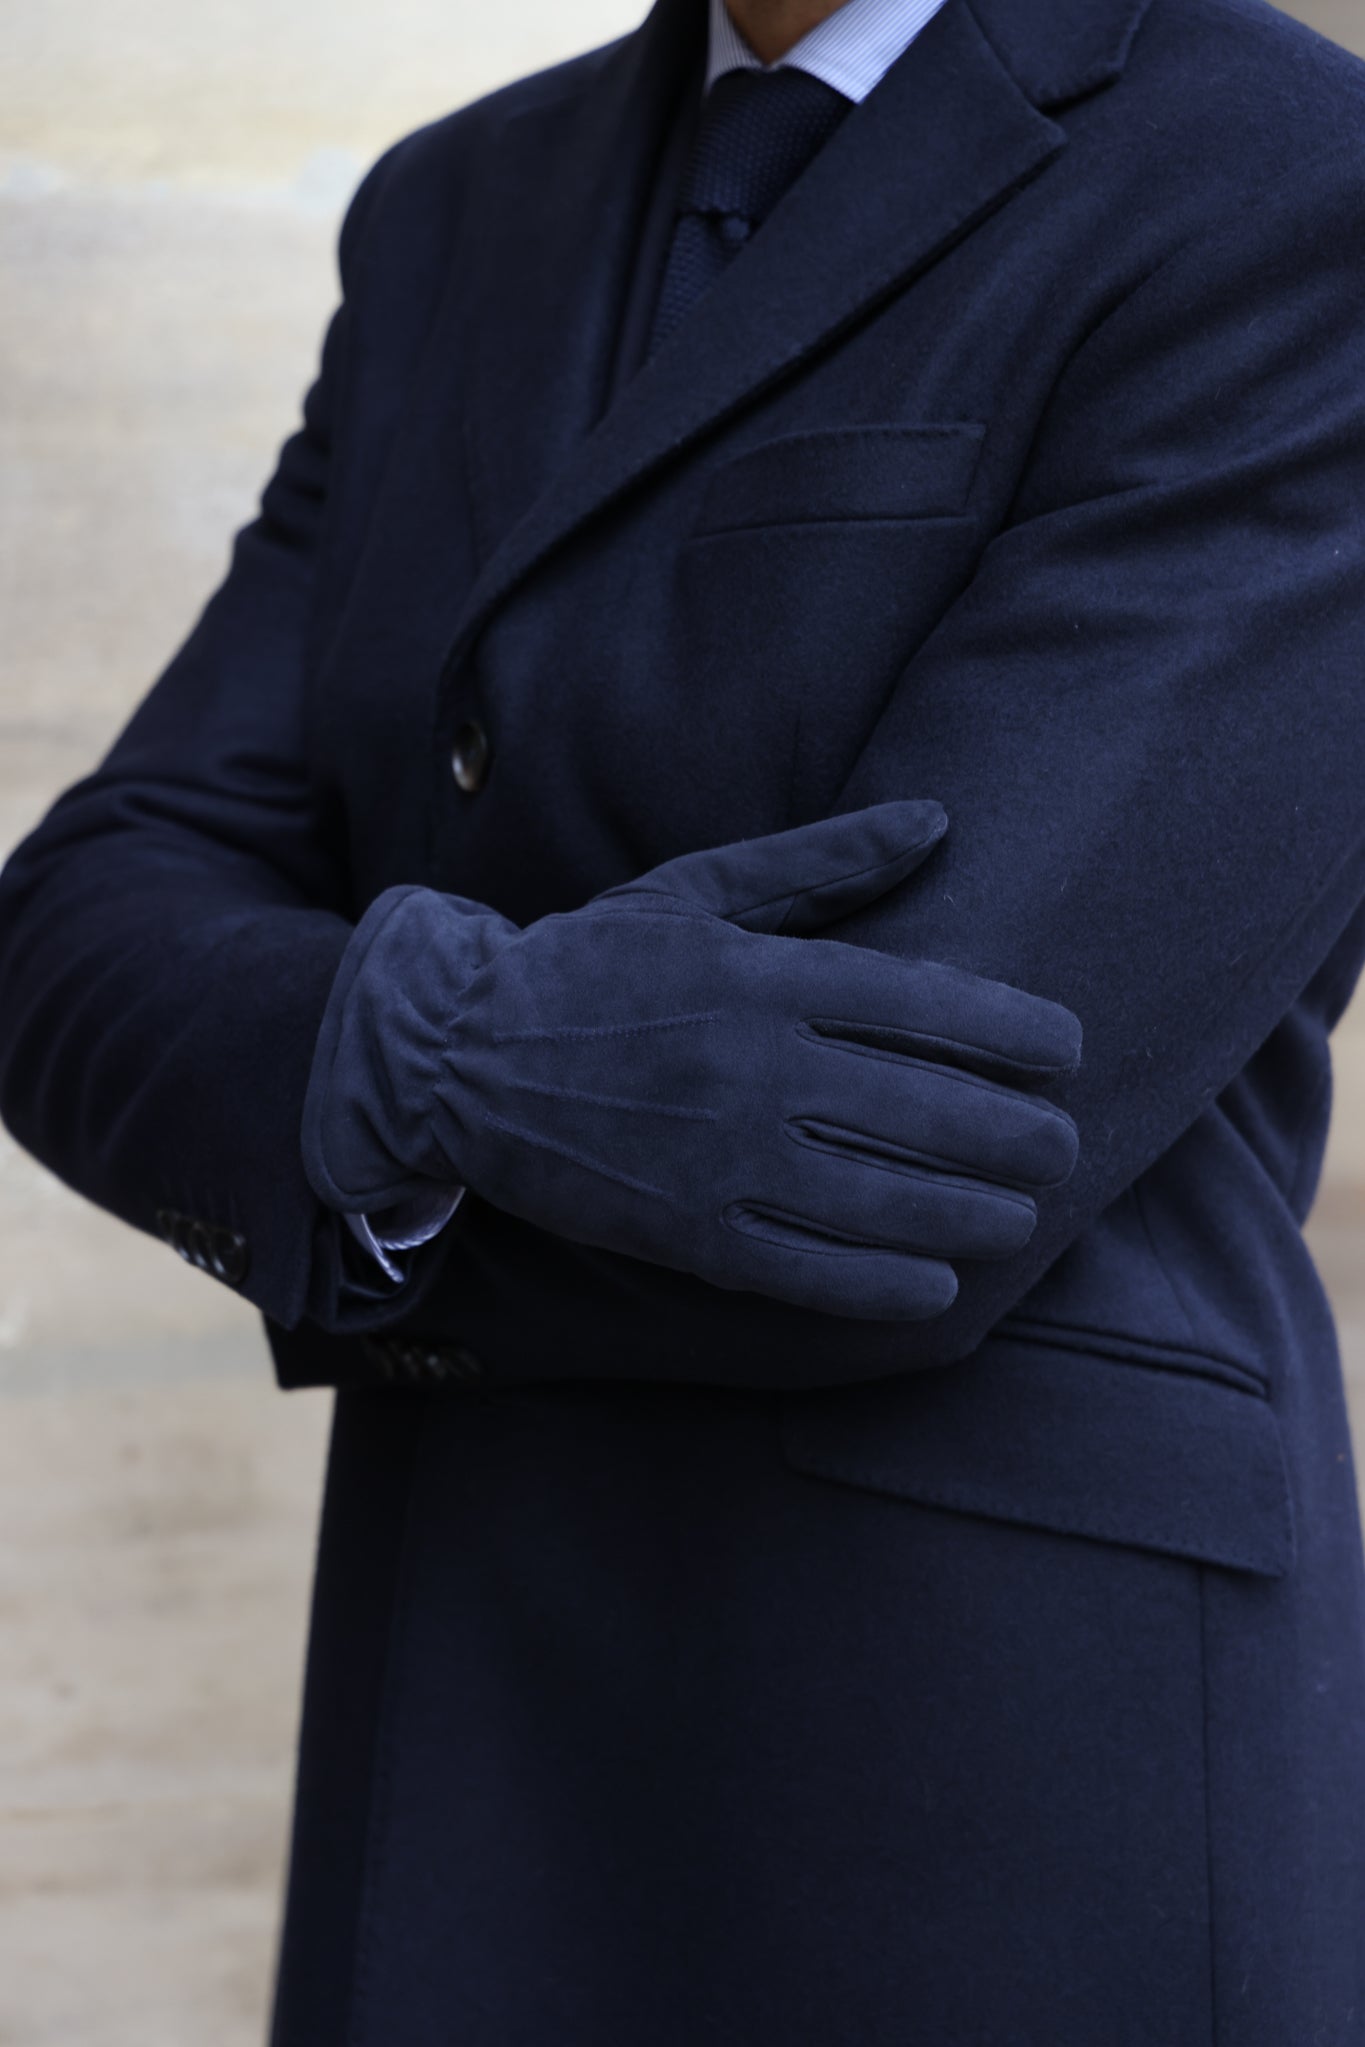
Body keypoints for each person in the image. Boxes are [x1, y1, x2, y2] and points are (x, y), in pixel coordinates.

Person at [2, 0, 1364, 2035]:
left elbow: (893, 1145)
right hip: (457, 1711)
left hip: (987, 1775)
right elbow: (72, 927)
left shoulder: (1278, 176)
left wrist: (339, 1089)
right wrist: (437, 1044)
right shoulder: (449, 205)